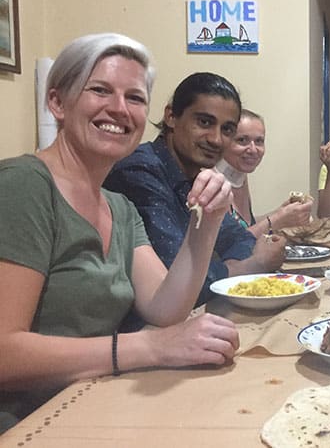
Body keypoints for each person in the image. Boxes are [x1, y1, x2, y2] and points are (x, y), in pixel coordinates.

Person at [0, 34, 239, 433]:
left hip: (95, 406)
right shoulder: (24, 185)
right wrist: (149, 347)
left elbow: (166, 308)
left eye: (135, 98)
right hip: (27, 423)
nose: (119, 109)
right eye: (100, 90)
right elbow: (5, 352)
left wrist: (208, 221)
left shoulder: (118, 206)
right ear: (57, 102)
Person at [104, 73, 286, 306]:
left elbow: (239, 239)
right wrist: (250, 266)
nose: (217, 140)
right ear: (171, 116)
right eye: (204, 122)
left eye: (228, 129)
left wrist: (234, 266)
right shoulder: (139, 171)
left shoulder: (196, 174)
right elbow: (177, 284)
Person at [215, 109, 313, 238]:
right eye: (242, 140)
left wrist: (281, 213)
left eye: (259, 141)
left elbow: (244, 227)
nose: (253, 149)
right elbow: (228, 245)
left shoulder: (240, 176)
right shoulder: (212, 183)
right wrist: (277, 220)